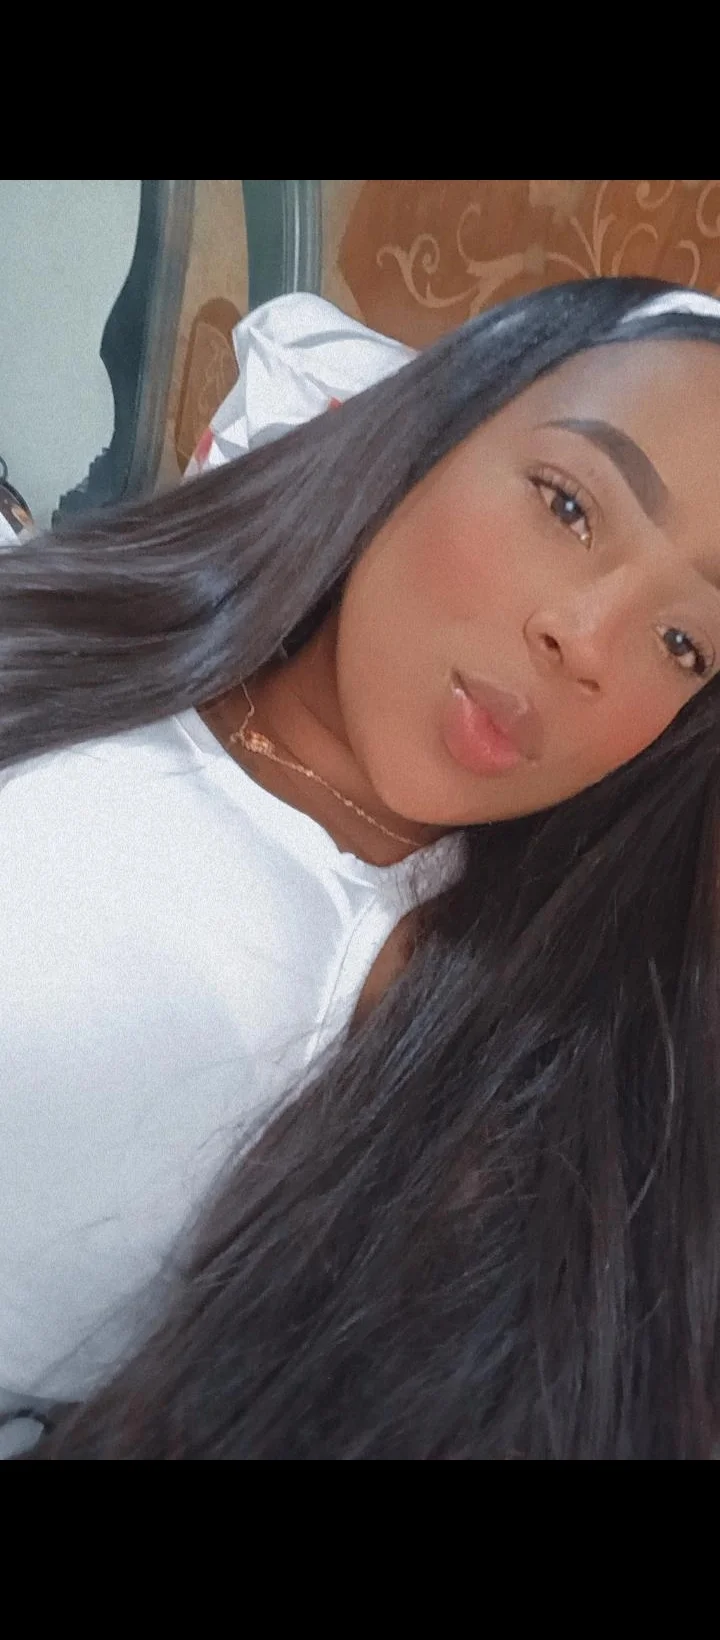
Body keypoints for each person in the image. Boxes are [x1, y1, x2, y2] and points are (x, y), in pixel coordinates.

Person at [3, 273, 720, 1460]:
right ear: (431, 427)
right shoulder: (104, 619)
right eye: (569, 504)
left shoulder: (461, 1046)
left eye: (685, 640)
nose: (586, 640)